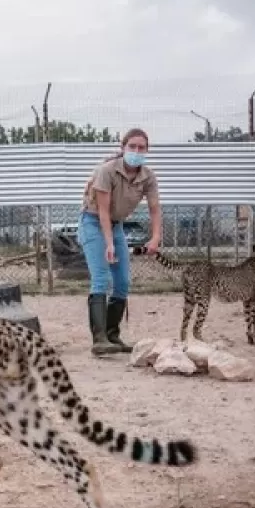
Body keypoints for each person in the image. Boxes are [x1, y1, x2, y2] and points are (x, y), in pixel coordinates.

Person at [77, 128, 163, 356]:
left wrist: (155, 237)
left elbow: (155, 208)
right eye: (132, 146)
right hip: (93, 222)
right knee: (102, 278)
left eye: (141, 147)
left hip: (116, 225)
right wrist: (110, 243)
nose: (136, 151)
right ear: (123, 148)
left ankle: (113, 335)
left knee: (123, 282)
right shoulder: (106, 171)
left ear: (147, 150)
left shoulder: (148, 177)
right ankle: (99, 339)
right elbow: (103, 211)